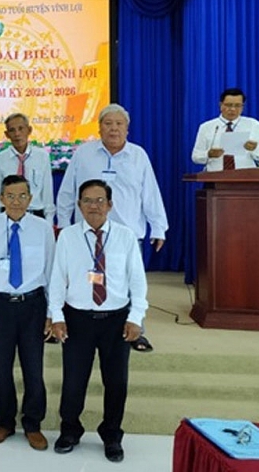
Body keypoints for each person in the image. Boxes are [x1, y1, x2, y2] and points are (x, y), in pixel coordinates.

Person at [49, 179, 148, 463]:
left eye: (100, 200)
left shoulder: (125, 236)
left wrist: (135, 317)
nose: (94, 206)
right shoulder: (67, 236)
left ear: (110, 205)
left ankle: (112, 435)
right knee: (73, 382)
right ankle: (70, 430)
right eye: (88, 201)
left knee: (116, 383)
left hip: (116, 321)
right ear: (79, 205)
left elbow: (137, 281)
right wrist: (57, 316)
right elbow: (57, 279)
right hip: (77, 319)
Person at [55, 103, 165, 352]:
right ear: (99, 128)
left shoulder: (138, 155)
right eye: (108, 123)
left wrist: (158, 227)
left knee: (130, 282)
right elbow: (68, 191)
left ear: (127, 128)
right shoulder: (83, 153)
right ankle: (83, 328)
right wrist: (63, 224)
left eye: (119, 124)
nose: (113, 129)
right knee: (83, 281)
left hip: (127, 235)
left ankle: (136, 330)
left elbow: (150, 193)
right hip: (87, 233)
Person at [0, 174, 54, 451]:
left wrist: (51, 312)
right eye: (10, 196)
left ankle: (33, 424)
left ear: (30, 199)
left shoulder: (43, 228)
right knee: (2, 368)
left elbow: (51, 271)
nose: (16, 201)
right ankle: (4, 422)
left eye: (22, 196)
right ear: (1, 199)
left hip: (33, 305)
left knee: (33, 367)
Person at [0, 113, 55, 223]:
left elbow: (47, 194)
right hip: (8, 216)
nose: (17, 134)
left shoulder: (42, 157)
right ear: (7, 134)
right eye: (12, 130)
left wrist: (49, 222)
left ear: (29, 130)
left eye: (21, 129)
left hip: (35, 214)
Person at [191, 87, 259, 171]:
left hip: (245, 176)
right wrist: (208, 154)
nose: (233, 109)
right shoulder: (206, 127)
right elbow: (195, 157)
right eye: (229, 105)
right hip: (216, 175)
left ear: (242, 106)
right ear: (220, 105)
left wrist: (254, 149)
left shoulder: (253, 125)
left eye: (237, 105)